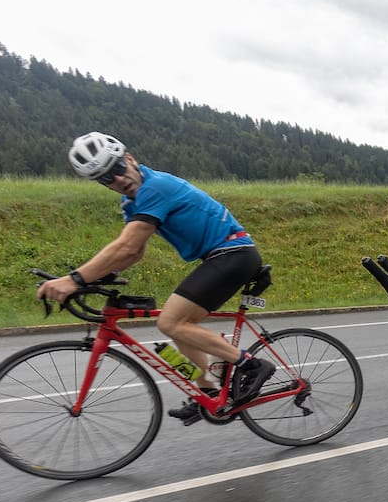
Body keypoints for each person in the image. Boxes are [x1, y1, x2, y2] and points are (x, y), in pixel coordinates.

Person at [38, 132, 275, 425]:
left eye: (118, 169)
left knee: (170, 322)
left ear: (130, 159)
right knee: (179, 327)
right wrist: (94, 279)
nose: (118, 179)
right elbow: (132, 252)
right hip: (221, 256)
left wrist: (73, 280)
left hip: (234, 252)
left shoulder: (156, 187)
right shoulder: (131, 202)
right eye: (106, 179)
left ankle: (252, 365)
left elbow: (126, 246)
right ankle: (208, 392)